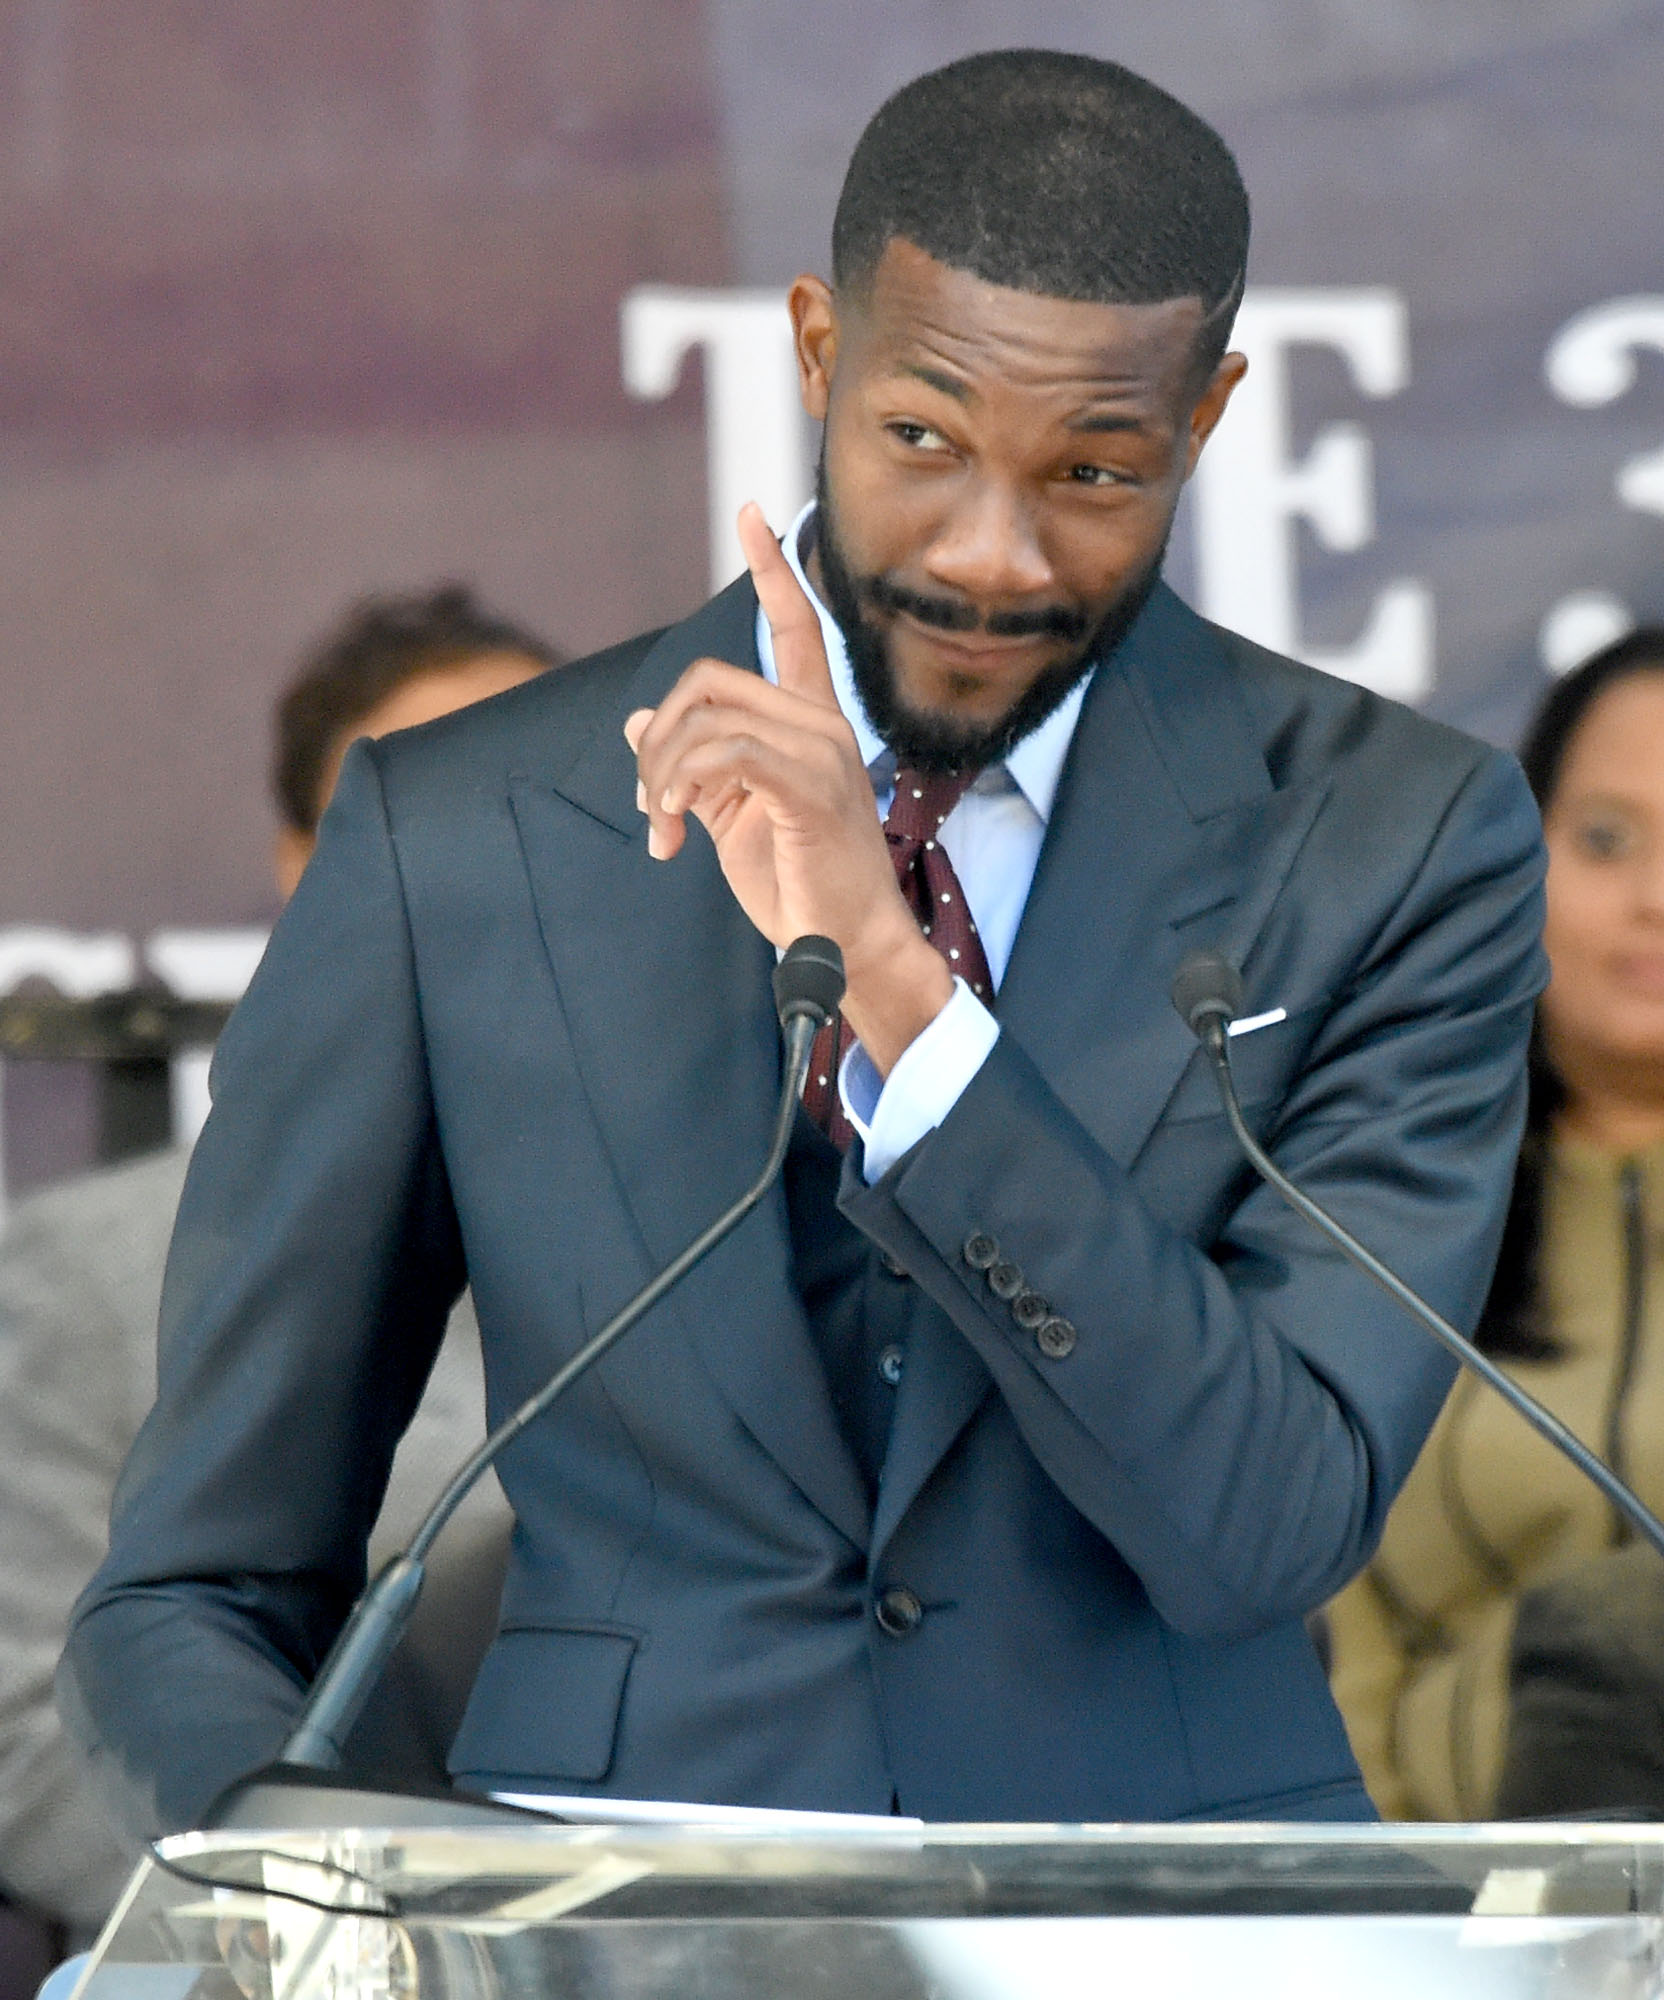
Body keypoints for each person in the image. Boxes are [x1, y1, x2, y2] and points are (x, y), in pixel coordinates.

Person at [62, 49, 1545, 1837]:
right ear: (818, 353)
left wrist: (903, 999)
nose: (991, 557)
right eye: (924, 442)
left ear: (1207, 418)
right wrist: (316, 1880)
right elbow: (194, 1590)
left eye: (1092, 471)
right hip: (600, 1918)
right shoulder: (457, 836)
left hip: (1166, 1912)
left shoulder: (1395, 837)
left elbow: (1270, 1529)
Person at [0, 585, 558, 1944]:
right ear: (310, 866)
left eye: (554, 817)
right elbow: (29, 1734)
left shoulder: (748, 1218)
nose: (508, 873)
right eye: (441, 823)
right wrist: (323, 1919)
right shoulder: (87, 1275)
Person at [1326, 628, 1664, 1821]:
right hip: (1451, 1896)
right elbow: (1336, 1640)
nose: (1652, 897)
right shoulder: (1383, 1210)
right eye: (1605, 840)